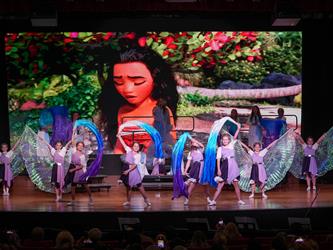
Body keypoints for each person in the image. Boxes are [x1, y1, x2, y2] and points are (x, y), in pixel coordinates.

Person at [98, 46, 179, 154]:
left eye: (138, 82)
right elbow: (120, 144)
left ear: (155, 79)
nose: (127, 90)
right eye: (118, 82)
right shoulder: (122, 111)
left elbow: (170, 144)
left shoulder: (161, 111)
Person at [208, 124, 245, 206]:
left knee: (236, 184)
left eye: (226, 140)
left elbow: (235, 137)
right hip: (225, 166)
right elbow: (218, 159)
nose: (225, 141)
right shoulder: (220, 149)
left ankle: (239, 200)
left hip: (233, 165)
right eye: (223, 140)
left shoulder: (231, 145)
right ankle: (213, 200)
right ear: (222, 140)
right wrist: (219, 169)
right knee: (220, 184)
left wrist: (238, 129)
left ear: (229, 140)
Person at [117, 133, 151, 207]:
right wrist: (119, 136)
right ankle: (128, 201)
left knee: (139, 186)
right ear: (132, 147)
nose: (136, 147)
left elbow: (135, 165)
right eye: (135, 146)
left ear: (139, 147)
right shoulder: (129, 150)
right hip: (127, 170)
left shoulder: (138, 155)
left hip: (133, 171)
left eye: (137, 146)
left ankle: (146, 199)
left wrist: (127, 171)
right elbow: (123, 144)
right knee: (128, 187)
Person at [64, 141, 93, 205]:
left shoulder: (82, 155)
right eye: (79, 145)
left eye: (82, 146)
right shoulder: (74, 153)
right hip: (74, 171)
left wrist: (73, 169)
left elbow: (82, 166)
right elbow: (73, 142)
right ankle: (73, 201)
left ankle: (90, 198)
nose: (80, 147)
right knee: (73, 186)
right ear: (77, 146)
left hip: (80, 171)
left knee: (85, 185)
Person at [183, 137, 209, 205]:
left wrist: (194, 140)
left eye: (196, 144)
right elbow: (188, 162)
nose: (195, 145)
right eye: (193, 144)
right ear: (191, 145)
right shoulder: (190, 153)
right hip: (196, 168)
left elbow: (202, 145)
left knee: (205, 186)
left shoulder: (200, 150)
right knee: (192, 185)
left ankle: (208, 199)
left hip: (202, 168)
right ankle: (186, 199)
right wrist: (185, 171)